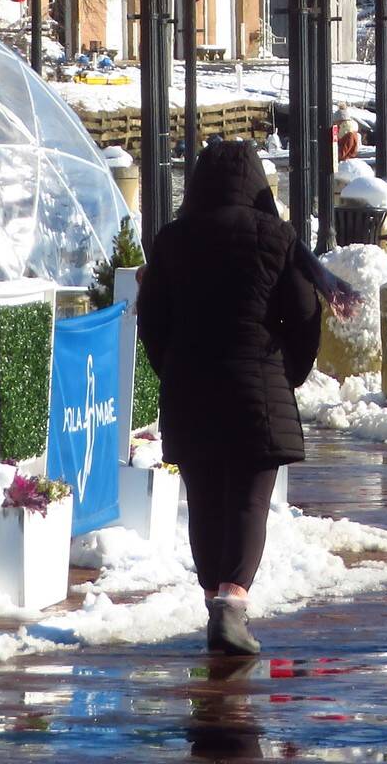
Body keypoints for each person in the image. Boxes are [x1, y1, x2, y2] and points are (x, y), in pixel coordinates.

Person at [138, 138, 322, 657]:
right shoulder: (278, 237)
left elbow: (153, 320)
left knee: (203, 500)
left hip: (190, 388)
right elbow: (306, 314)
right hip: (257, 387)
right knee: (247, 499)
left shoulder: (170, 241)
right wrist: (289, 372)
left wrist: (171, 368)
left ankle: (212, 603)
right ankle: (232, 604)